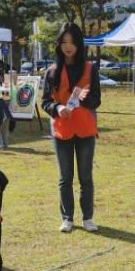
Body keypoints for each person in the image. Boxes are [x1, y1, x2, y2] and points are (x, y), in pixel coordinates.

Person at [41, 22, 102, 233]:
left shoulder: (90, 69)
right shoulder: (52, 71)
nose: (68, 46)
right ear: (59, 44)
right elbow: (45, 102)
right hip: (62, 130)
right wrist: (57, 108)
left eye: (72, 42)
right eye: (64, 42)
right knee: (65, 177)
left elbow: (96, 100)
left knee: (86, 177)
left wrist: (84, 99)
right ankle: (67, 218)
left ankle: (88, 218)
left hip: (85, 129)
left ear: (79, 44)